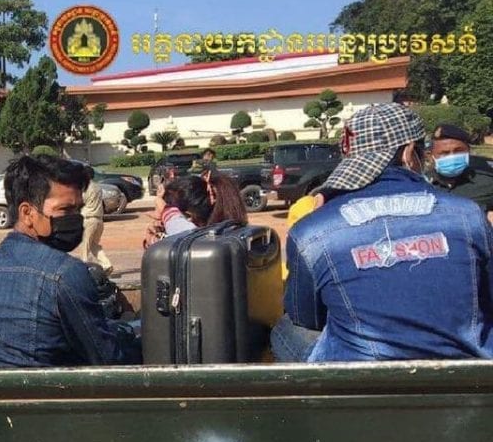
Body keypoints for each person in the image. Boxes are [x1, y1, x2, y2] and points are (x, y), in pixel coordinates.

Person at [273, 103, 493, 362]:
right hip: (465, 365)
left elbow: (306, 316)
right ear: (409, 153)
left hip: (361, 373)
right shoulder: (468, 215)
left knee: (284, 329)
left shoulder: (311, 230)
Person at [0, 154, 140, 368]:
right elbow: (107, 358)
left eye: (78, 209)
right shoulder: (65, 274)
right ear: (27, 213)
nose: (76, 218)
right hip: (45, 390)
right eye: (65, 210)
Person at [143, 173, 247, 246]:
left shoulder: (204, 243)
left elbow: (186, 233)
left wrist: (166, 212)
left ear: (190, 216)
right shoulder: (232, 235)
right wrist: (157, 239)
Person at [428, 123, 493, 215]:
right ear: (431, 156)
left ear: (468, 151)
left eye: (458, 151)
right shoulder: (422, 184)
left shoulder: (488, 182)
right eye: (444, 153)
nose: (452, 157)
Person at [79, 178, 114, 273]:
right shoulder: (97, 187)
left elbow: (80, 201)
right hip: (99, 219)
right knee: (94, 245)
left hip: (88, 219)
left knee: (84, 246)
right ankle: (106, 264)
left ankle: (85, 267)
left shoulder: (85, 188)